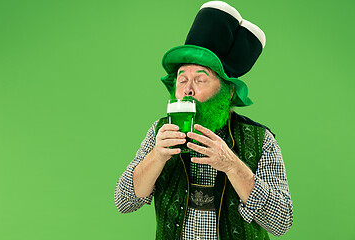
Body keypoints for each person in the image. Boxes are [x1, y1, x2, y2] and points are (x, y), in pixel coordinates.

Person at [115, 1, 293, 239]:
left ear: (228, 92)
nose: (187, 90)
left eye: (200, 80)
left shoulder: (261, 140)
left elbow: (281, 222)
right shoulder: (159, 133)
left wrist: (232, 165)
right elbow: (124, 202)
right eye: (181, 79)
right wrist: (157, 156)